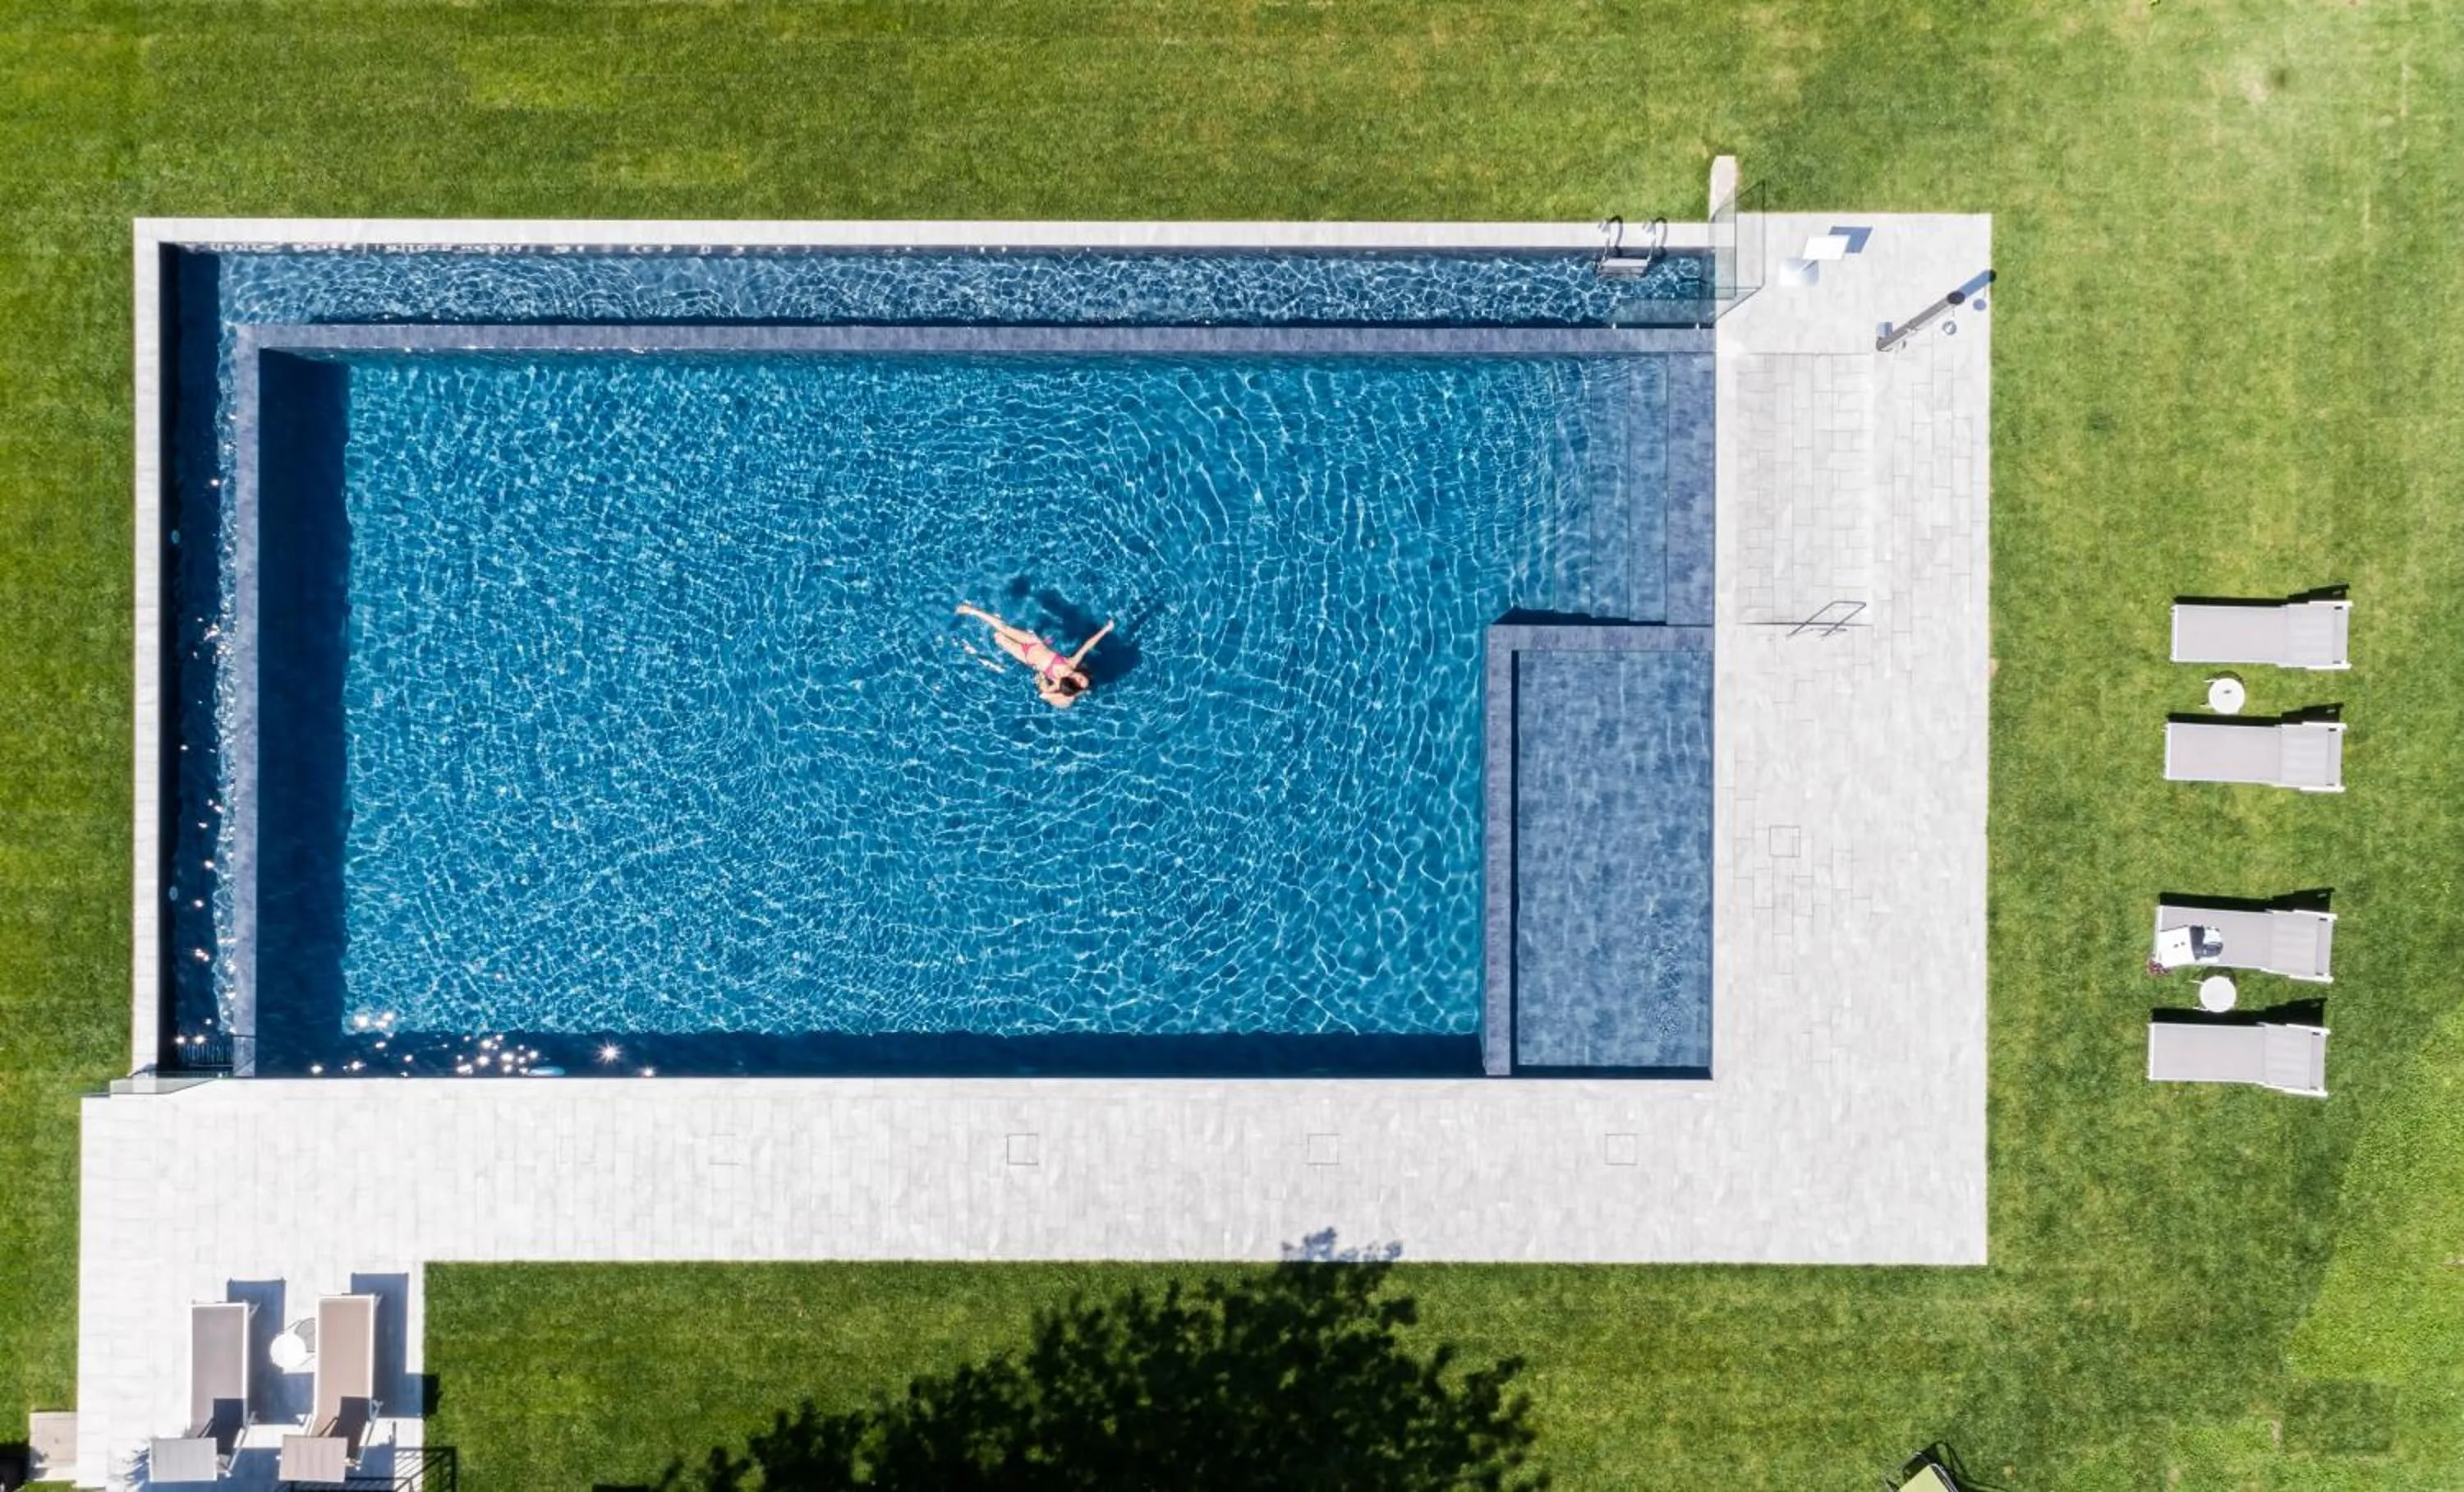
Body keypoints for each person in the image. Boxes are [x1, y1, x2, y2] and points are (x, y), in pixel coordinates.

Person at [956, 603, 1115, 708]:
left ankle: (995, 626)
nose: (1079, 678)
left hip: (1025, 656)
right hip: (1033, 642)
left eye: (1080, 683)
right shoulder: (1071, 662)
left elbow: (1044, 694)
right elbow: (1087, 646)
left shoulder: (1059, 683)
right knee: (1003, 627)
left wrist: (1046, 683)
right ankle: (972, 610)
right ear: (1081, 673)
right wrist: (1105, 630)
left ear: (1075, 685)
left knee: (998, 638)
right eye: (1082, 678)